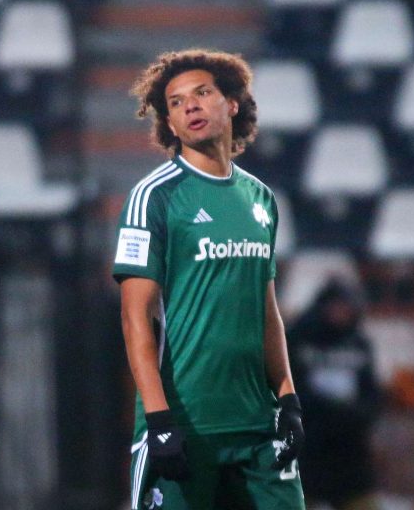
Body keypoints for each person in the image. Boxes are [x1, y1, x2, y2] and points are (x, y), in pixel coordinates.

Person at [112, 49, 305, 510]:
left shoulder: (260, 199)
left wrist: (288, 398)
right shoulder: (153, 197)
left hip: (258, 427)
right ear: (169, 124)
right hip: (185, 425)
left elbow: (266, 311)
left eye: (201, 93)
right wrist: (159, 418)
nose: (190, 107)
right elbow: (135, 318)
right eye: (176, 103)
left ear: (232, 103)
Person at [288, 279, 380, 510]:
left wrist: (359, 414)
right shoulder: (298, 340)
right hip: (308, 443)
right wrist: (325, 409)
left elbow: (370, 392)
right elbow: (289, 390)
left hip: (350, 448)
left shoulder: (358, 344)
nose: (342, 314)